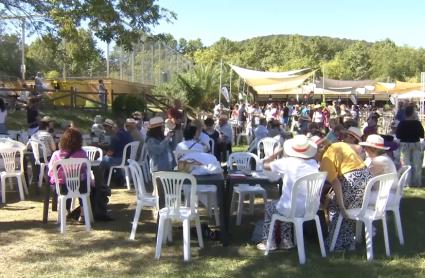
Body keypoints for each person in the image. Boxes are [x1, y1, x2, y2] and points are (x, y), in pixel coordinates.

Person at [256, 135, 319, 250]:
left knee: (272, 206)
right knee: (285, 203)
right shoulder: (314, 163)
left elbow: (265, 165)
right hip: (311, 208)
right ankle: (286, 240)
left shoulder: (287, 162)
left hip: (291, 208)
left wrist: (275, 153)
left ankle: (268, 241)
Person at [319, 141, 371, 251]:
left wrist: (341, 206)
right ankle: (348, 240)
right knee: (343, 204)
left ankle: (337, 243)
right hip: (366, 178)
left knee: (333, 206)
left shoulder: (326, 159)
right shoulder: (339, 145)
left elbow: (335, 182)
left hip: (353, 181)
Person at [48, 128, 89, 223]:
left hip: (62, 188)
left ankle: (65, 211)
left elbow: (50, 172)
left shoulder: (56, 155)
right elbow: (85, 168)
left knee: (62, 183)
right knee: (82, 183)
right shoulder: (82, 154)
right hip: (79, 186)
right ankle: (83, 215)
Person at [396, 105, 424, 187]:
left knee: (406, 164)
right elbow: (422, 135)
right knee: (417, 164)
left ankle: (407, 182)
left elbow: (398, 135)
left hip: (405, 144)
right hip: (415, 143)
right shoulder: (417, 123)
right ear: (412, 113)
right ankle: (417, 182)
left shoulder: (401, 123)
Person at [101, 118, 133, 185]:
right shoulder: (128, 134)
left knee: (103, 160)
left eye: (112, 126)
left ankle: (101, 181)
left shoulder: (115, 137)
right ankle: (119, 179)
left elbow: (110, 153)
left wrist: (103, 153)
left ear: (115, 127)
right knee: (110, 159)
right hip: (129, 159)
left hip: (121, 160)